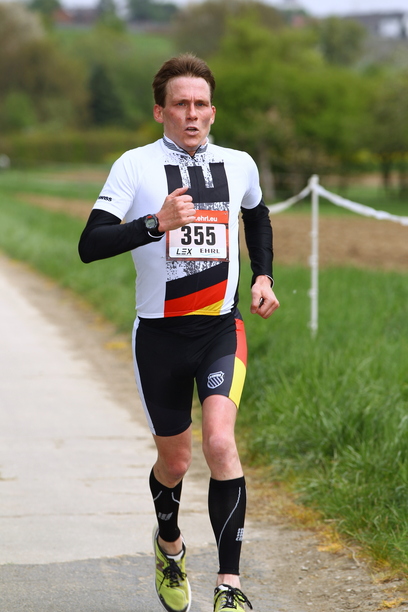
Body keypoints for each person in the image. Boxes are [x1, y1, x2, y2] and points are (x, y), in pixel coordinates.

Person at [78, 53, 280, 612]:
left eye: (200, 104)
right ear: (159, 111)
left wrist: (263, 275)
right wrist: (154, 224)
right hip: (160, 337)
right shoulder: (134, 166)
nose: (192, 114)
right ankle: (169, 546)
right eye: (180, 104)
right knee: (176, 462)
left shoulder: (239, 164)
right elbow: (90, 244)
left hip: (220, 328)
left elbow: (257, 214)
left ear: (213, 111)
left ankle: (229, 586)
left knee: (220, 443)